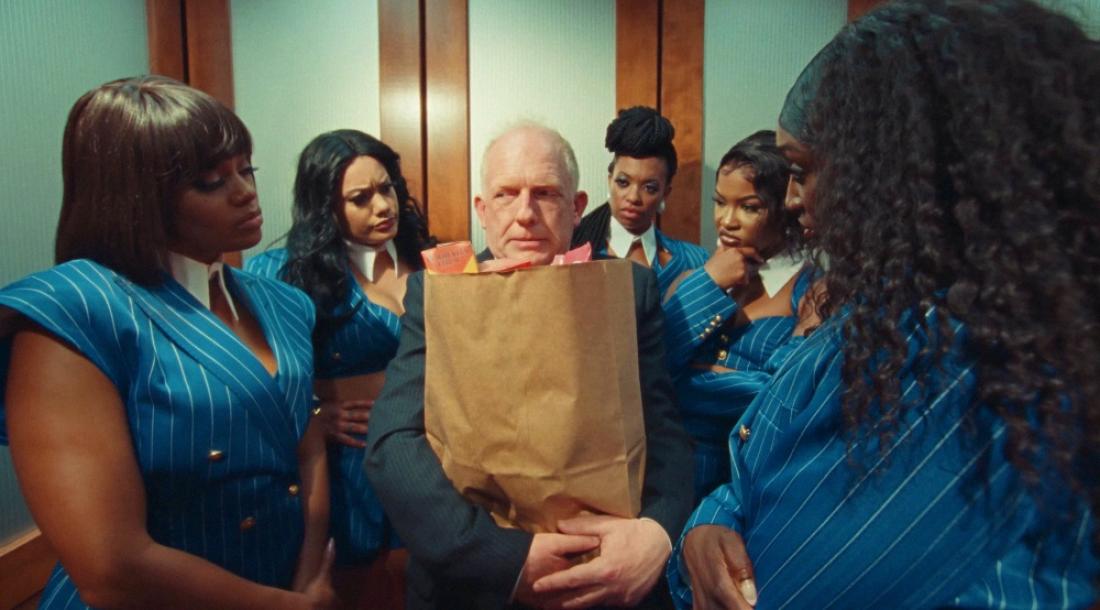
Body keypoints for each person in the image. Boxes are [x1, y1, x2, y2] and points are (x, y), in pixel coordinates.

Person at [668, 1, 1100, 608]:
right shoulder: (871, 320)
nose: (792, 199)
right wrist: (704, 529)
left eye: (802, 170)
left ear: (900, 172)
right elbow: (748, 471)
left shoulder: (1033, 392)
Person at [0, 76, 335, 609]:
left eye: (246, 169)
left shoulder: (283, 302)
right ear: (134, 198)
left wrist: (310, 580)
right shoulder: (74, 311)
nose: (245, 192)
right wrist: (284, 606)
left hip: (284, 580)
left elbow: (308, 448)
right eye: (210, 181)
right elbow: (111, 568)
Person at [365, 122, 694, 608]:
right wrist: (504, 559)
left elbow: (662, 431)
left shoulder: (626, 289)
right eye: (506, 194)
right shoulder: (438, 294)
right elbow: (393, 442)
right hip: (473, 586)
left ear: (577, 207)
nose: (525, 214)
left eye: (545, 193)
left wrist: (657, 534)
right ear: (482, 209)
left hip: (605, 577)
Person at [247, 129, 434, 607]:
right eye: (360, 198)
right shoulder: (282, 273)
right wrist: (311, 416)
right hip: (347, 470)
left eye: (387, 188)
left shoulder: (431, 259)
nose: (383, 206)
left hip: (434, 457)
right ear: (325, 207)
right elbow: (252, 379)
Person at [661, 130, 812, 501]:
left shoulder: (812, 292)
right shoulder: (693, 276)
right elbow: (648, 368)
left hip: (743, 485)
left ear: (785, 206)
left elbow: (776, 397)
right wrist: (709, 283)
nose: (726, 221)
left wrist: (681, 384)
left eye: (749, 207)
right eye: (719, 202)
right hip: (661, 476)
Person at [572, 106, 708, 294]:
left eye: (649, 188)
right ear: (610, 180)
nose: (633, 197)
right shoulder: (573, 251)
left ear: (665, 193)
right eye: (623, 182)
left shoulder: (694, 260)